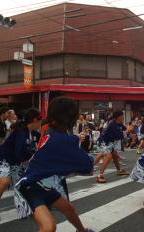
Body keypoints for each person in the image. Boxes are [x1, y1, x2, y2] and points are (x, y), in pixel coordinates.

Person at [15, 97, 95, 232]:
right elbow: (88, 167)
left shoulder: (49, 131)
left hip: (42, 185)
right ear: (71, 118)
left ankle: (82, 231)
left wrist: (74, 139)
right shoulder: (61, 139)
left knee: (69, 209)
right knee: (48, 227)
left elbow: (62, 141)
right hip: (29, 188)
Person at [0, 108, 42, 221]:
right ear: (35, 120)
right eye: (40, 120)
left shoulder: (30, 132)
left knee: (22, 184)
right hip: (2, 160)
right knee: (5, 182)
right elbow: (20, 152)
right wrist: (33, 156)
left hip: (13, 161)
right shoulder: (22, 132)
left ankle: (22, 208)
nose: (41, 123)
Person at [94, 111, 129, 183]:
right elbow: (119, 136)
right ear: (118, 116)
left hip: (109, 143)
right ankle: (99, 176)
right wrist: (127, 131)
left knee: (115, 156)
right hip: (103, 142)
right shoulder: (112, 124)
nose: (123, 117)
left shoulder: (118, 123)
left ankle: (119, 171)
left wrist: (128, 130)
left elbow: (124, 129)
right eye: (122, 115)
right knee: (108, 156)